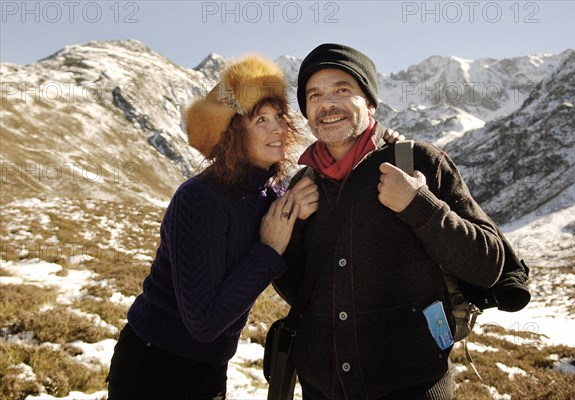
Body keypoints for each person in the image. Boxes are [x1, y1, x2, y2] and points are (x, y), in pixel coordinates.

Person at [276, 43, 505, 399]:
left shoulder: (420, 162)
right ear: (306, 110)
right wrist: (287, 237)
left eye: (342, 89)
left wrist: (418, 205)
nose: (327, 103)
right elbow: (298, 291)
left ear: (369, 101)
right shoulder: (303, 184)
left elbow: (487, 264)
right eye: (314, 94)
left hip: (415, 387)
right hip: (322, 388)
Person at [106, 54, 317, 400]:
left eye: (279, 115)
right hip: (154, 367)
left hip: (209, 368)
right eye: (260, 119)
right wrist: (269, 250)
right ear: (232, 131)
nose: (278, 128)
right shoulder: (201, 198)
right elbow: (203, 321)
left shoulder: (269, 194)